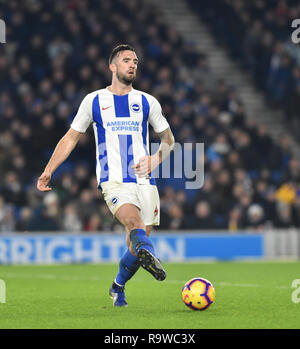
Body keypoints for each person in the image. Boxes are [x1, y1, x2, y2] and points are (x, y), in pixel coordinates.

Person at [37, 44, 175, 307]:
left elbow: (168, 139)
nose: (132, 64)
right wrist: (48, 170)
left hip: (146, 181)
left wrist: (157, 158)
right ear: (112, 66)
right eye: (126, 60)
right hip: (113, 180)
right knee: (133, 225)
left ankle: (118, 286)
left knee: (136, 246)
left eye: (135, 61)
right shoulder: (94, 101)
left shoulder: (147, 102)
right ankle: (153, 258)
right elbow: (71, 138)